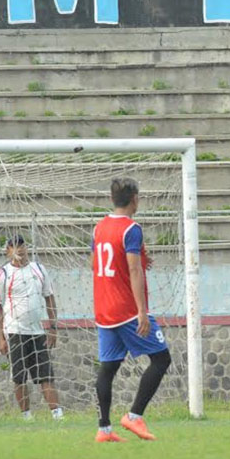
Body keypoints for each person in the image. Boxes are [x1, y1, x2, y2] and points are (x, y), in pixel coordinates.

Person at [92, 177, 172, 443]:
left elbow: (95, 263)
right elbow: (134, 270)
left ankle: (104, 429)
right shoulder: (131, 229)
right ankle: (134, 416)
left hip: (104, 309)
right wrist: (142, 311)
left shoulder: (99, 227)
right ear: (135, 199)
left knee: (109, 367)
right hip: (126, 309)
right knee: (162, 359)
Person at [0, 235, 63, 420]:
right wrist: (0, 337)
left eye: (21, 245)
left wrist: (53, 327)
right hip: (14, 331)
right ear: (8, 251)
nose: (19, 249)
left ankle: (57, 415)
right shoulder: (4, 274)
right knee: (19, 377)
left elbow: (49, 297)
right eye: (13, 246)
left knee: (46, 375)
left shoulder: (38, 269)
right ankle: (26, 416)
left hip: (37, 332)